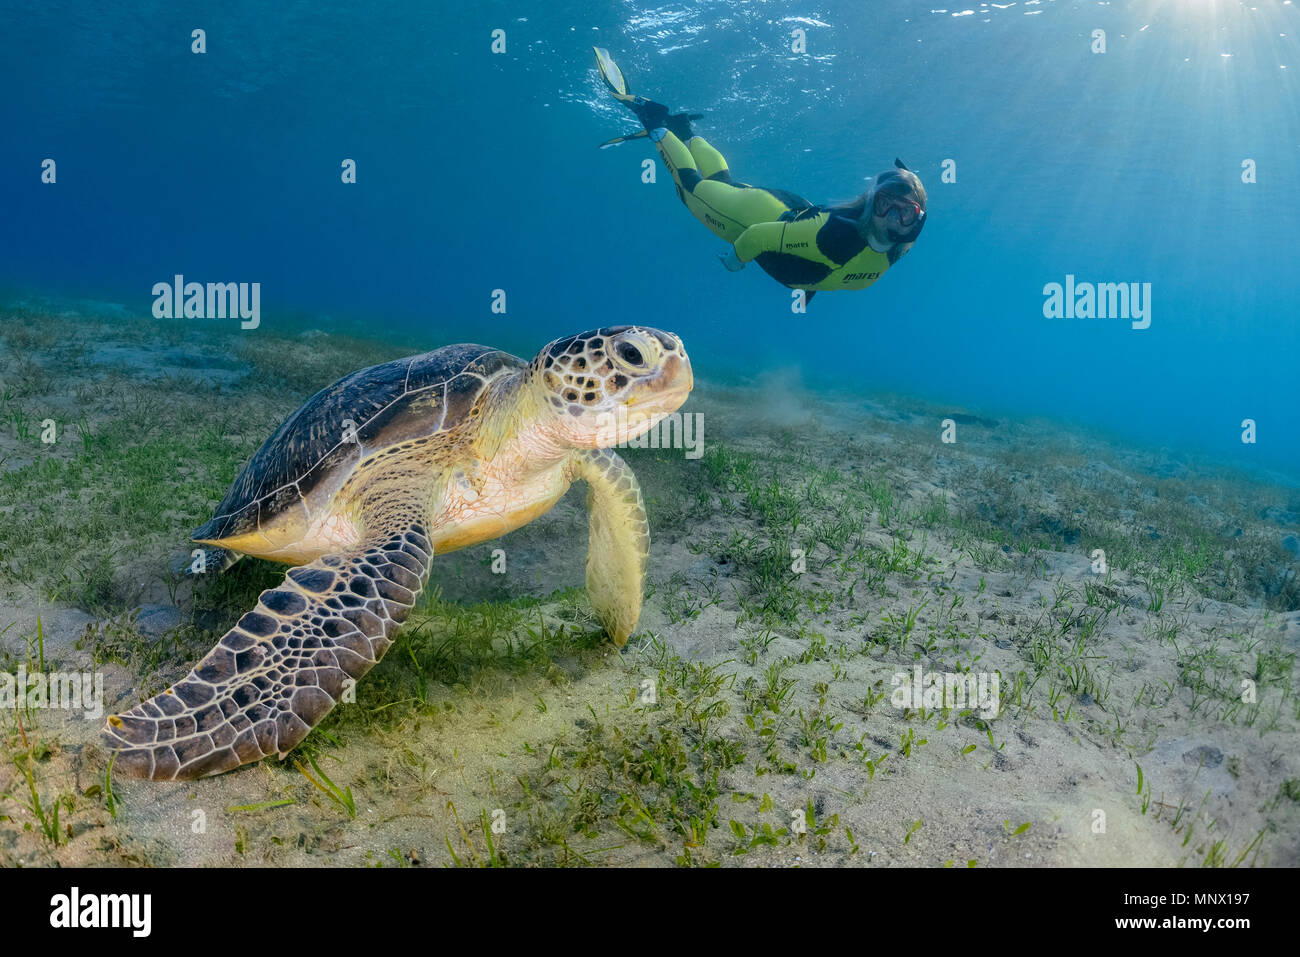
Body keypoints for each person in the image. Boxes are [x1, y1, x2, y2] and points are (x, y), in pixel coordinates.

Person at [594, 47, 927, 304]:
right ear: (871, 203)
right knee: (692, 189)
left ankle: (684, 129)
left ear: (918, 221)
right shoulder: (831, 235)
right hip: (753, 218)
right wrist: (734, 262)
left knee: (721, 180)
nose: (893, 219)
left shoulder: (901, 247)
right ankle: (652, 119)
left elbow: (836, 269)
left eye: (906, 212)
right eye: (885, 205)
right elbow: (757, 238)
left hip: (779, 206)